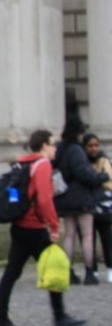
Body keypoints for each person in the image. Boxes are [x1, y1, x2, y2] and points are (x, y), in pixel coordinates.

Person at [0, 130, 87, 326]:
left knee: (12, 272)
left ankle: (0, 317)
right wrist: (53, 226)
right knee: (55, 265)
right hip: (34, 227)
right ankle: (59, 316)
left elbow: (16, 195)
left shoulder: (23, 162)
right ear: (44, 145)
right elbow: (44, 200)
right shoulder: (42, 165)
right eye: (53, 144)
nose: (55, 148)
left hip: (20, 226)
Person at [54, 116, 109, 285]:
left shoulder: (60, 149)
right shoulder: (76, 150)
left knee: (69, 235)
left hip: (65, 198)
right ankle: (89, 272)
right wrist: (103, 176)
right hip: (81, 198)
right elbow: (84, 174)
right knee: (87, 236)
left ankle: (68, 271)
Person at [83, 133, 112, 283]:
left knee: (106, 237)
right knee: (89, 238)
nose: (94, 148)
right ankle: (92, 269)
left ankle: (109, 268)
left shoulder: (103, 160)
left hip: (103, 205)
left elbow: (109, 181)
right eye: (90, 145)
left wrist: (96, 180)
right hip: (87, 204)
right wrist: (99, 178)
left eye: (96, 145)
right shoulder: (81, 161)